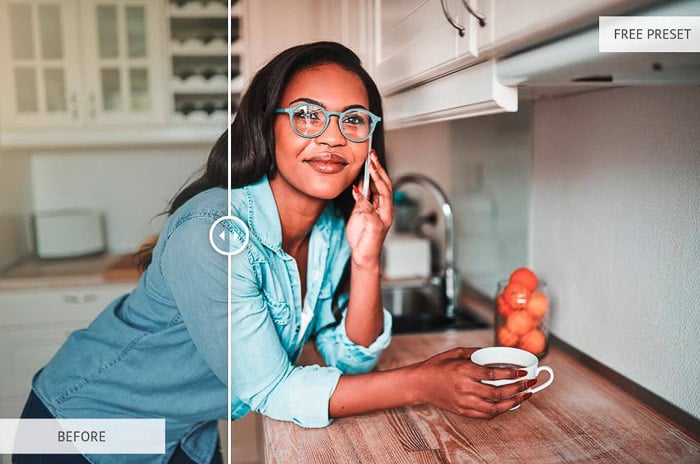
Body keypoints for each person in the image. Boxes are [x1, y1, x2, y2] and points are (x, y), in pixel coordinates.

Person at [14, 41, 531, 464]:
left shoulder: (331, 231)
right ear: (267, 126)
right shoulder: (214, 229)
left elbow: (348, 355)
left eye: (353, 120)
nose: (331, 138)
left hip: (182, 436)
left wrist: (369, 258)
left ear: (370, 140)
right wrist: (423, 383)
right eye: (308, 115)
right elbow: (272, 390)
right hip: (79, 428)